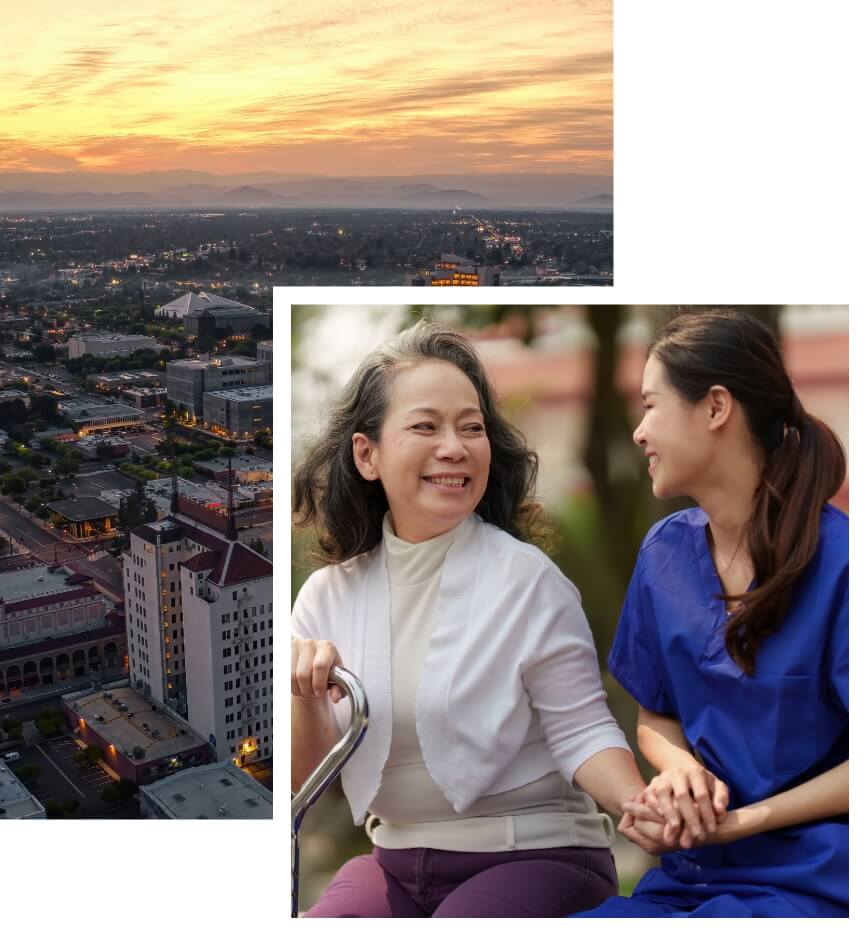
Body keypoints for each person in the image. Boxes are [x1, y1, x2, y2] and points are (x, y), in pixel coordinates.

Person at [291, 319, 656, 917]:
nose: (454, 447)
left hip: (540, 857)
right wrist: (304, 695)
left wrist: (637, 805)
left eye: (471, 427)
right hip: (394, 864)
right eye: (425, 426)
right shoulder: (326, 597)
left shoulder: (528, 579)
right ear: (367, 454)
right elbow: (306, 780)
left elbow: (581, 728)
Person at [571, 309, 848, 918]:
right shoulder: (663, 552)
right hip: (689, 876)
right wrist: (679, 775)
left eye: (651, 405)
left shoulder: (843, 564)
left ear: (716, 407)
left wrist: (741, 822)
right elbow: (655, 712)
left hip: (819, 883)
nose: (640, 432)